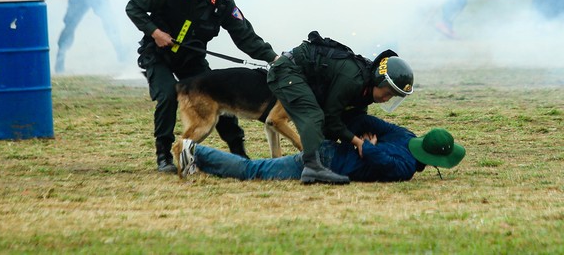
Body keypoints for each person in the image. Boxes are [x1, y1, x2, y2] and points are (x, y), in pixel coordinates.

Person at [125, 0, 279, 173]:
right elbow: (133, 7)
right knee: (168, 94)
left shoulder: (223, 2)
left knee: (220, 91)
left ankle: (239, 152)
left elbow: (245, 36)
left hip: (191, 59)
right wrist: (155, 33)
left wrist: (273, 58)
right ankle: (164, 155)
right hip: (157, 55)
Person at [266, 31, 414, 184]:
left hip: (302, 76)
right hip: (288, 71)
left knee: (333, 124)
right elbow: (331, 118)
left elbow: (349, 121)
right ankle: (313, 167)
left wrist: (366, 144)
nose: (386, 99)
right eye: (388, 93)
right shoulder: (353, 80)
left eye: (392, 97)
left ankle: (320, 159)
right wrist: (358, 143)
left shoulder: (365, 90)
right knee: (314, 115)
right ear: (379, 80)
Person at [175, 114, 465, 182]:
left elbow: (365, 120)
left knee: (258, 168)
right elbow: (379, 159)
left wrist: (367, 142)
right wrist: (366, 146)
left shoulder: (405, 134)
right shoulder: (404, 170)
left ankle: (195, 155)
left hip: (328, 150)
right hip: (328, 162)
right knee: (254, 171)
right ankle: (194, 151)